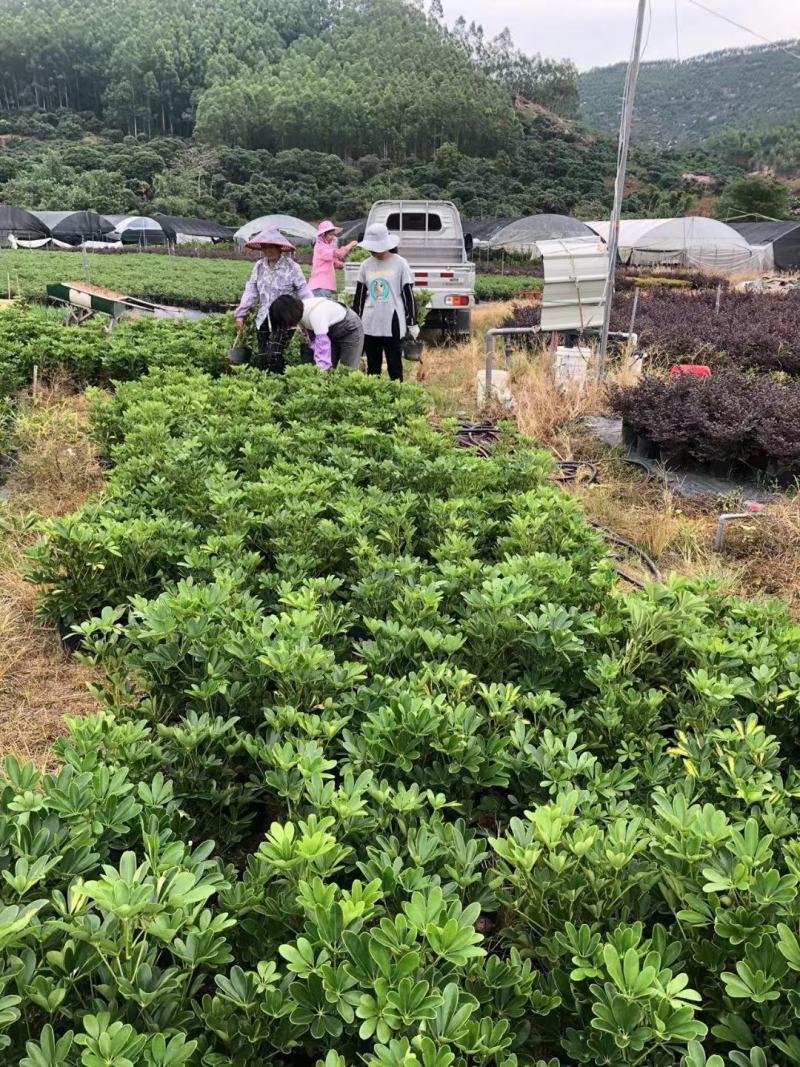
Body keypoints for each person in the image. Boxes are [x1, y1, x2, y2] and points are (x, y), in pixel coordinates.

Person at [234, 225, 312, 372]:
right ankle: (266, 383)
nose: (268, 250)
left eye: (272, 246)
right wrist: (240, 314)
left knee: (274, 353)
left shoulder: (292, 267)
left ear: (280, 248)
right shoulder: (259, 266)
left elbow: (303, 290)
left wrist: (312, 312)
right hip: (263, 316)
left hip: (284, 317)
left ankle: (277, 382)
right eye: (265, 247)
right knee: (263, 355)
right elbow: (251, 289)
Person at [352, 223, 418, 382]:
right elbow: (359, 297)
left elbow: (408, 294)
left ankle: (397, 397)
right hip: (370, 322)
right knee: (373, 368)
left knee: (394, 366)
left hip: (392, 322)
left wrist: (412, 322)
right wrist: (356, 321)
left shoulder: (400, 263)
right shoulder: (365, 265)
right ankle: (374, 399)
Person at [269, 294, 364, 372]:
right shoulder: (300, 315)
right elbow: (314, 344)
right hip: (331, 333)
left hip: (350, 330)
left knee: (347, 371)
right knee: (329, 370)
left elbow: (322, 349)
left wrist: (319, 374)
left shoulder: (316, 315)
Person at [309, 221, 357, 298]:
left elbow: (334, 262)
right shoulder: (320, 247)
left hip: (324, 286)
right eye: (330, 235)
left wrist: (346, 265)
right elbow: (338, 253)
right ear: (323, 234)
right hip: (320, 286)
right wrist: (350, 245)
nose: (333, 237)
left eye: (333, 235)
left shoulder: (326, 246)